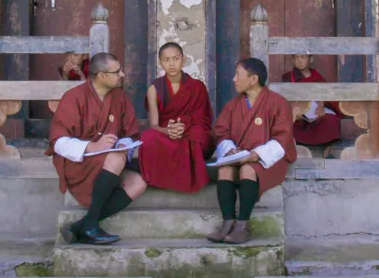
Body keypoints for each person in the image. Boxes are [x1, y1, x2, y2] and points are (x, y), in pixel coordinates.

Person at [47, 52, 147, 245]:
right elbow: (58, 141)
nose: (122, 75)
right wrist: (92, 146)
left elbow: (130, 132)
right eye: (117, 72)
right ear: (101, 76)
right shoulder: (74, 97)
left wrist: (124, 144)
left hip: (107, 163)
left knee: (138, 183)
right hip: (80, 163)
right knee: (116, 159)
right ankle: (90, 228)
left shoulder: (119, 98)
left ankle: (85, 225)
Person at [208, 57, 296, 245]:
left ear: (253, 79)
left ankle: (242, 225)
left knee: (249, 169)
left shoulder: (278, 103)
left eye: (237, 74)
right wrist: (230, 150)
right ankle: (227, 222)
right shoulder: (233, 105)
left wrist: (256, 155)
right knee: (224, 169)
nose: (233, 79)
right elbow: (220, 131)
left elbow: (283, 138)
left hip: (269, 159)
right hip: (239, 157)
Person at [138, 42, 213, 193]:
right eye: (166, 60)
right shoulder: (154, 89)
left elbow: (203, 120)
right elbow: (154, 125)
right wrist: (169, 131)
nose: (171, 64)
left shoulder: (197, 86)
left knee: (199, 134)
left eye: (176, 58)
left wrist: (184, 127)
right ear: (160, 63)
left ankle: (187, 180)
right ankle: (161, 179)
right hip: (167, 132)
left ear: (183, 60)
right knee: (148, 136)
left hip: (189, 131)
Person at [283, 54, 343, 148]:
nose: (299, 60)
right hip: (299, 116)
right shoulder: (288, 78)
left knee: (332, 120)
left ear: (310, 59)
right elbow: (285, 100)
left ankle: (326, 146)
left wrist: (322, 103)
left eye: (303, 57)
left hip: (316, 114)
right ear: (292, 60)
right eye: (296, 58)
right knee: (289, 126)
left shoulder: (317, 76)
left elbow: (326, 94)